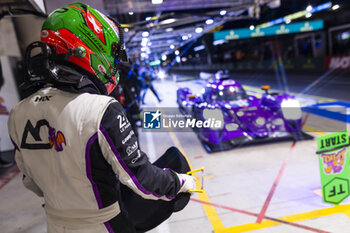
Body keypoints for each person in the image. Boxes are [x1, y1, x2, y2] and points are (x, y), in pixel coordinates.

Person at [7, 3, 196, 233]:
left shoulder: (18, 112)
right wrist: (181, 182)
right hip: (105, 224)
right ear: (83, 49)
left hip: (55, 224)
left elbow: (31, 182)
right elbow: (141, 179)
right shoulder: (101, 108)